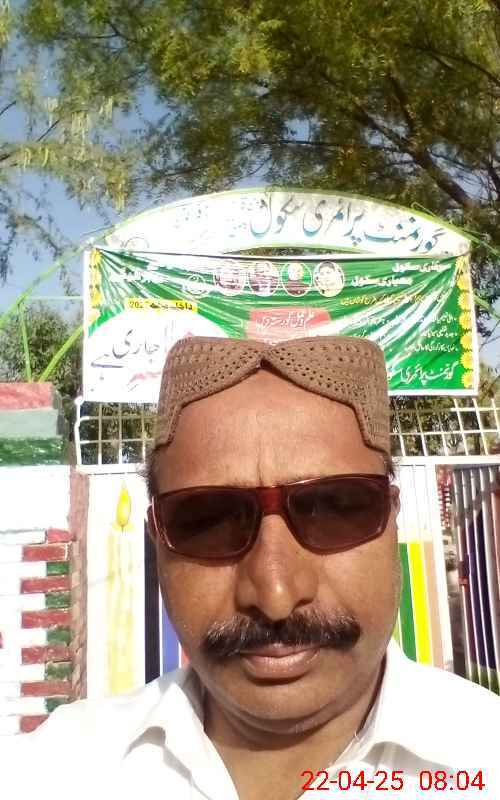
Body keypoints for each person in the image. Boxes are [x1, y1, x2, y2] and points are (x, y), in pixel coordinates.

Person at [3, 335, 499, 800]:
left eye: (333, 510)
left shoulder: (483, 757)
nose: (275, 594)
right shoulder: (57, 770)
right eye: (209, 521)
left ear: (391, 518)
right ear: (158, 542)